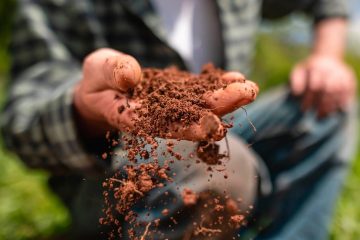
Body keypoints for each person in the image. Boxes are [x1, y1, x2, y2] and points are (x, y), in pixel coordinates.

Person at [1, 0, 357, 239]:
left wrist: (327, 55)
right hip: (113, 167)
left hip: (223, 132)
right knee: (217, 165)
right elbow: (22, 116)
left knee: (326, 107)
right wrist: (85, 108)